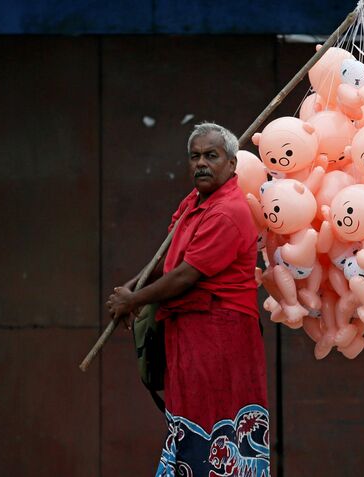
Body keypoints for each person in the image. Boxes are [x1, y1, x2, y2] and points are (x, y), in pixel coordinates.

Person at [106, 122, 270, 477]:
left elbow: (185, 275)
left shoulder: (229, 211)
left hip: (221, 336)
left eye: (211, 156)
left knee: (217, 423)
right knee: (187, 419)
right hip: (188, 335)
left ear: (232, 164)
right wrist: (131, 291)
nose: (201, 164)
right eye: (194, 157)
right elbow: (166, 262)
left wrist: (133, 301)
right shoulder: (195, 202)